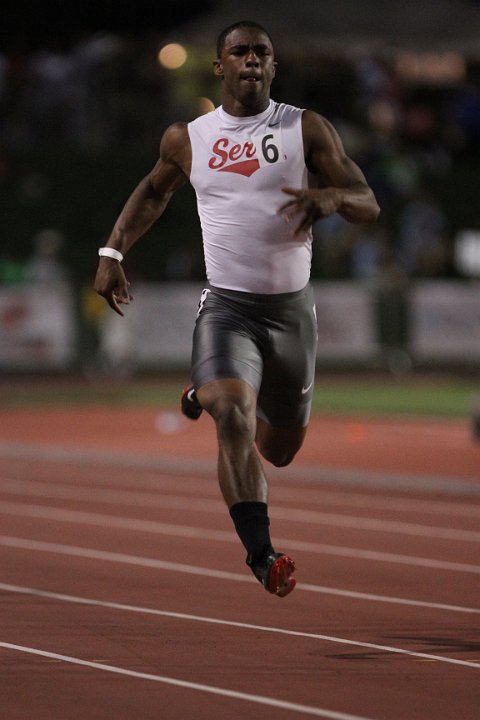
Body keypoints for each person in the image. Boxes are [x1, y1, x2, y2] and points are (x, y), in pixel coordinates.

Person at [94, 21, 380, 598]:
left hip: (291, 314)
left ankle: (203, 390)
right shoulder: (189, 137)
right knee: (233, 415)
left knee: (278, 451)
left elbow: (367, 201)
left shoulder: (305, 129)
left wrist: (332, 197)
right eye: (240, 52)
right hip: (228, 309)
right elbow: (154, 191)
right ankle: (261, 553)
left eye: (263, 53)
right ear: (220, 66)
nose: (252, 60)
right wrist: (112, 250)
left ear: (273, 67)